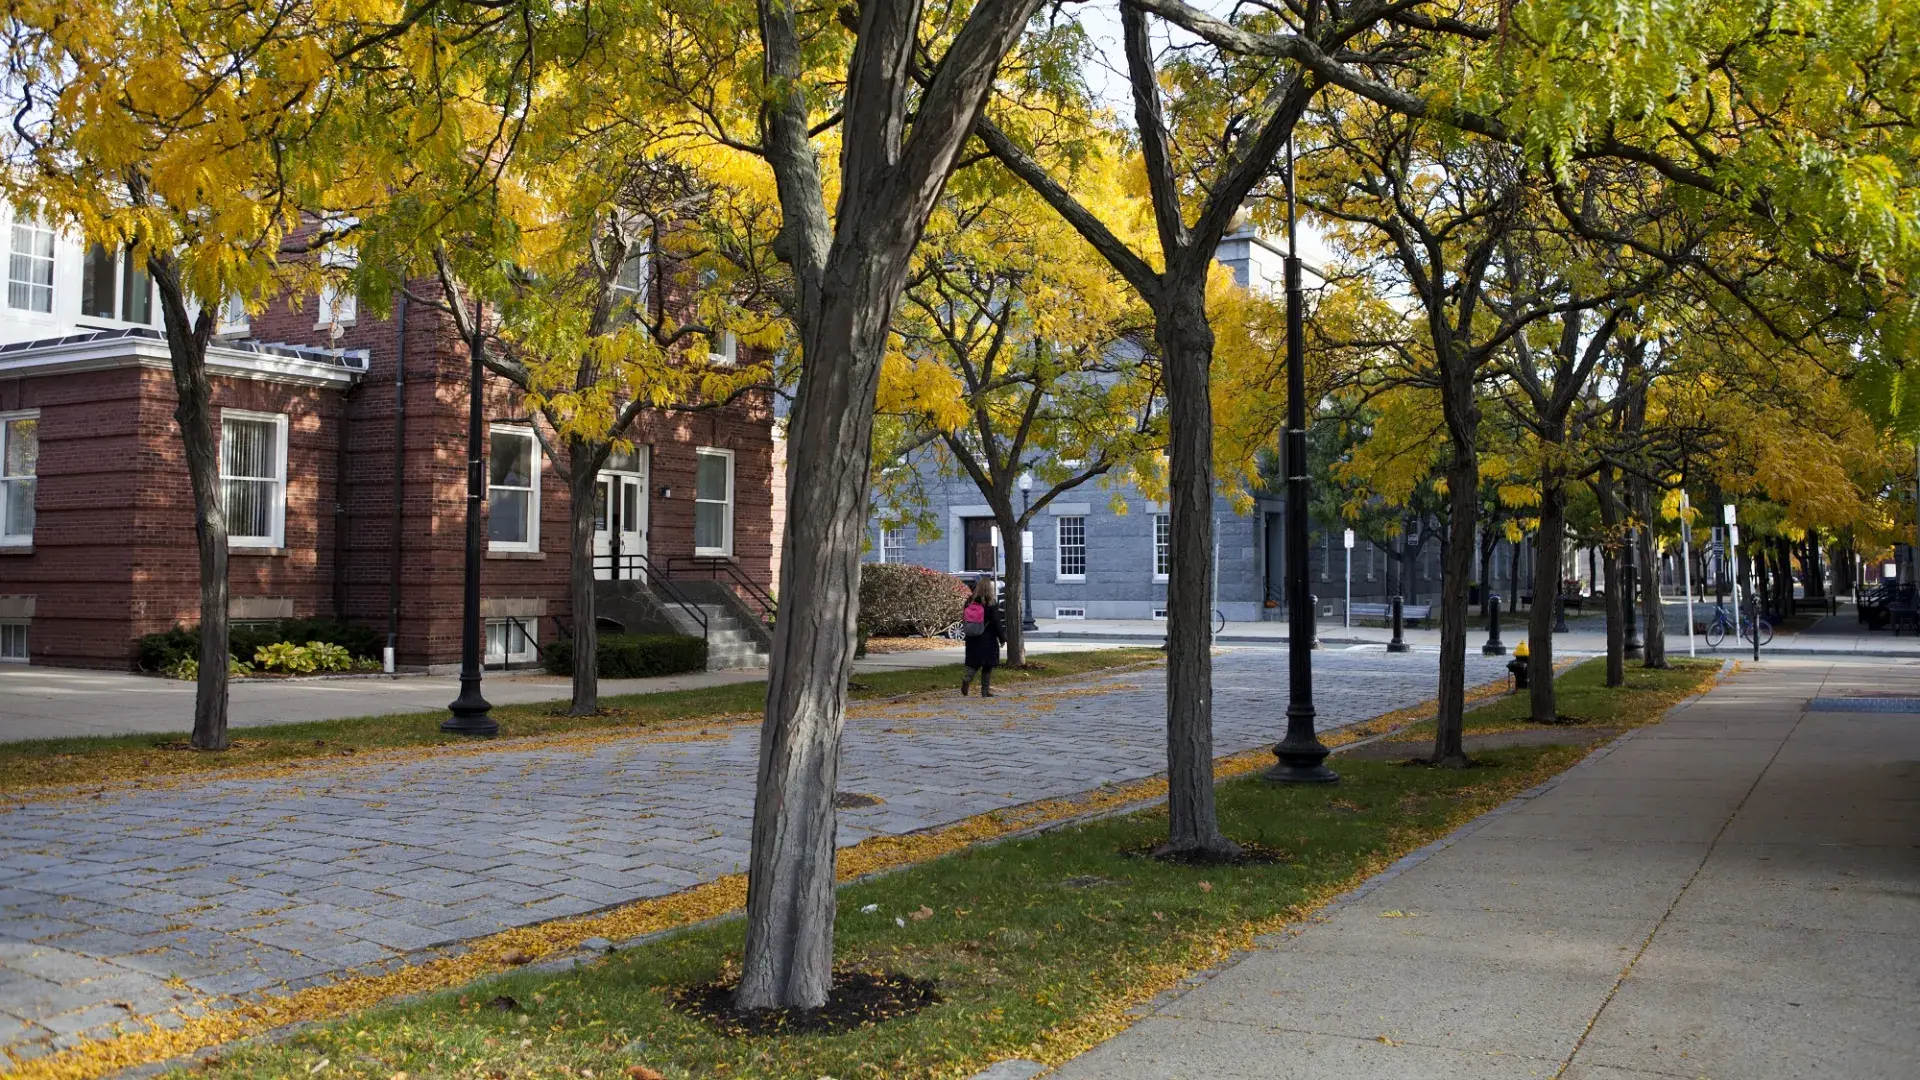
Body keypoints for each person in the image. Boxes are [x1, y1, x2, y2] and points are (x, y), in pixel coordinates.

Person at [960, 576, 1004, 697]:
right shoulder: (991, 602)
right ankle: (985, 691)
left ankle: (967, 679)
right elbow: (996, 622)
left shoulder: (969, 601)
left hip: (973, 637)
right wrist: (1002, 638)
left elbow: (965, 618)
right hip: (988, 638)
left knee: (974, 663)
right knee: (987, 665)